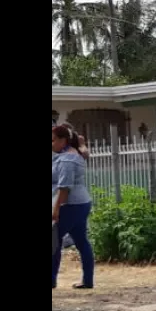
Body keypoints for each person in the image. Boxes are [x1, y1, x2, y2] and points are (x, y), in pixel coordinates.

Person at [52, 124, 95, 289]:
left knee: (53, 240)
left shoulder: (67, 160)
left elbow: (65, 187)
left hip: (70, 205)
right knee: (81, 241)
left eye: (53, 140)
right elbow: (84, 150)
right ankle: (88, 280)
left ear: (64, 140)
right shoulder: (72, 154)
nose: (51, 144)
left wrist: (56, 210)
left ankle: (52, 279)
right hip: (80, 204)